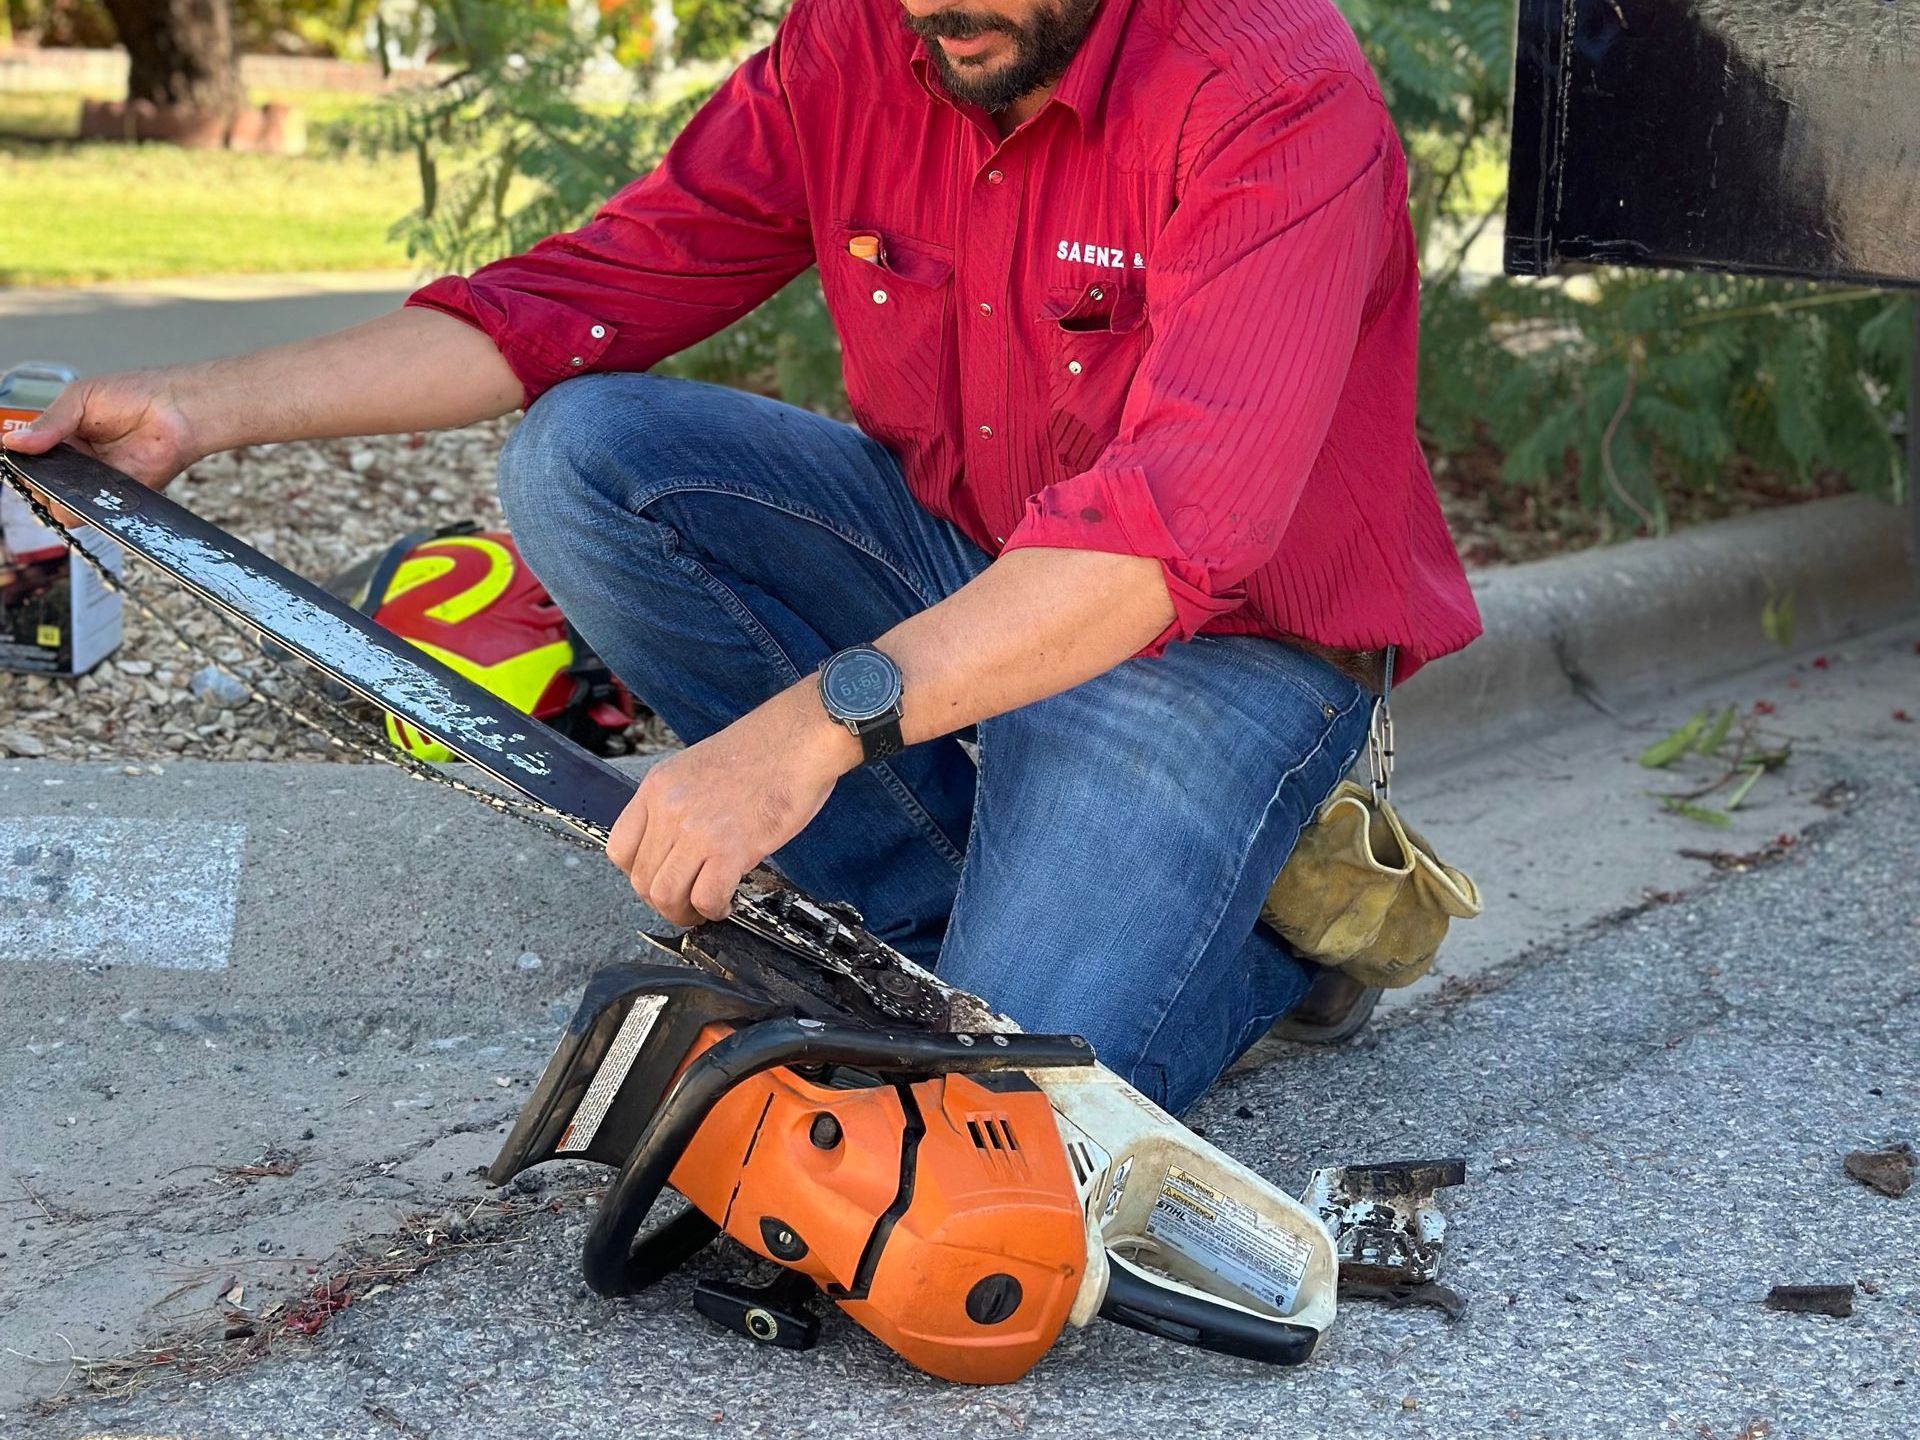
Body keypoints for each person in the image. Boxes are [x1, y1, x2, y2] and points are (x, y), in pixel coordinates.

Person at [4, 0, 1480, 1114]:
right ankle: (923, 896)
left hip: (1210, 646)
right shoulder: (854, 45)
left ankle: (1284, 938)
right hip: (958, 569)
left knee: (992, 1104)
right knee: (586, 456)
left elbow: (1169, 532)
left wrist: (803, 733)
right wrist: (194, 413)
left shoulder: (1276, 96)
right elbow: (565, 303)